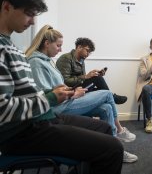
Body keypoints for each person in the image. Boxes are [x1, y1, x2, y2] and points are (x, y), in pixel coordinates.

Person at [0, 0, 123, 173]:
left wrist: (52, 92)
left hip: (41, 118)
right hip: (24, 132)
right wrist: (51, 97)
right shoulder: (8, 51)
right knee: (114, 148)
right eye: (29, 13)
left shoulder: (10, 46)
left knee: (105, 129)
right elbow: (2, 109)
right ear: (7, 6)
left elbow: (24, 96)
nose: (32, 21)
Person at [25, 24, 138, 163]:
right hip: (60, 107)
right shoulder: (37, 62)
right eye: (58, 45)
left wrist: (74, 90)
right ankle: (119, 132)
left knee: (107, 108)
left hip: (68, 98)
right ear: (47, 43)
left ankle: (115, 146)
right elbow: (47, 95)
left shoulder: (47, 61)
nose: (60, 49)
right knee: (107, 94)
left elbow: (58, 86)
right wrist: (73, 92)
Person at [56, 37, 127, 104]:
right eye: (87, 50)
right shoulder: (66, 58)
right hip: (70, 90)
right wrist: (86, 76)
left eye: (90, 52)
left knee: (100, 89)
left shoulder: (81, 60)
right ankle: (112, 97)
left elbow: (83, 79)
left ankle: (110, 96)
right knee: (97, 78)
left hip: (79, 87)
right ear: (79, 47)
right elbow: (65, 81)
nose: (88, 54)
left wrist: (90, 76)